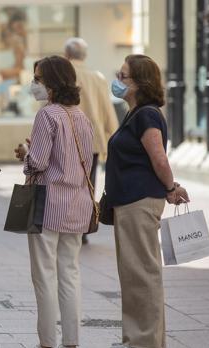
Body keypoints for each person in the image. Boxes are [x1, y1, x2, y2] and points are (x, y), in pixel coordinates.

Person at [106, 54, 190, 348]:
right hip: (130, 202)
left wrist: (171, 186)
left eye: (123, 75)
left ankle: (145, 343)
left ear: (140, 82)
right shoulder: (135, 113)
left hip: (139, 202)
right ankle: (138, 339)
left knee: (142, 274)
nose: (117, 80)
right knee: (133, 275)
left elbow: (159, 158)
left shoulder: (147, 115)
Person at [14, 56, 93, 348]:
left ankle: (47, 342)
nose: (34, 84)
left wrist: (26, 153)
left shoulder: (48, 115)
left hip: (47, 202)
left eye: (38, 78)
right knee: (70, 273)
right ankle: (71, 342)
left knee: (44, 275)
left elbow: (39, 162)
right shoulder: (80, 116)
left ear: (53, 83)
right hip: (77, 202)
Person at [64, 37, 119, 244]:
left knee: (68, 183)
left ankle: (70, 224)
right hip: (93, 141)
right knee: (88, 184)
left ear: (67, 54)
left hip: (68, 139)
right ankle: (85, 226)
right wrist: (112, 136)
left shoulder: (65, 75)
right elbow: (107, 110)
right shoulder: (97, 77)